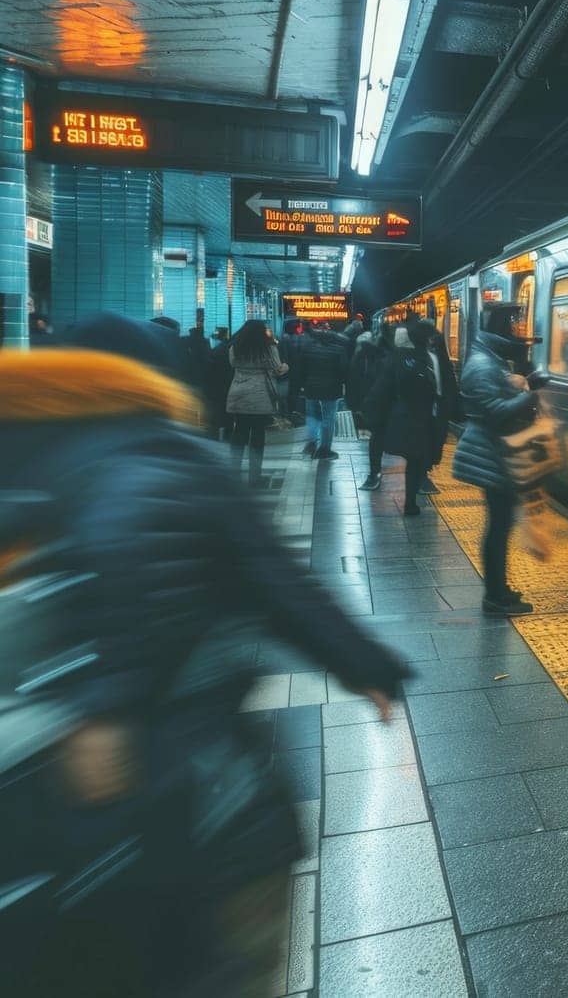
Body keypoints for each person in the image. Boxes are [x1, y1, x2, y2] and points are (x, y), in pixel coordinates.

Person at [0, 314, 406, 995]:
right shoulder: (165, 458)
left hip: (46, 824)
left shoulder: (28, 456)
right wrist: (367, 665)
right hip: (200, 797)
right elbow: (279, 583)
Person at [453, 313, 546, 616]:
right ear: (501, 333)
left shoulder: (486, 358)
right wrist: (532, 394)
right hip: (490, 455)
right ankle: (494, 596)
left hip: (494, 453)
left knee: (500, 527)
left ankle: (499, 590)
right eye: (513, 329)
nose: (518, 335)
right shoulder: (482, 365)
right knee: (498, 528)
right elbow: (495, 411)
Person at [360, 324, 438, 515]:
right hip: (419, 417)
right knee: (414, 460)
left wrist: (369, 413)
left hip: (395, 416)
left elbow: (381, 389)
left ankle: (374, 475)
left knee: (385, 446)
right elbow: (434, 391)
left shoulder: (393, 360)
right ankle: (411, 502)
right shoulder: (426, 359)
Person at [226, 320, 288, 487]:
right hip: (260, 395)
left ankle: (233, 475)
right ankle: (255, 477)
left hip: (238, 393)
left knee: (239, 434)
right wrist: (286, 366)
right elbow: (277, 369)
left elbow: (232, 364)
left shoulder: (235, 348)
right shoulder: (268, 349)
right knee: (257, 437)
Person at [413, 318, 459, 495]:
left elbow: (447, 379)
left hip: (439, 405)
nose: (432, 340)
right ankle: (421, 476)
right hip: (423, 406)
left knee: (437, 439)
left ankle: (426, 470)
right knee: (424, 440)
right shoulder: (417, 357)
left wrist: (451, 403)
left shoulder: (439, 354)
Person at [292, 321, 351, 460]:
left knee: (312, 416)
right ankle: (324, 449)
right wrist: (343, 384)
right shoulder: (339, 350)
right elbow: (344, 371)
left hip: (311, 387)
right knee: (328, 418)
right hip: (331, 389)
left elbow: (301, 369)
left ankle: (311, 444)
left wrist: (302, 384)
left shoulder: (308, 348)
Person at [356, 323, 396, 490]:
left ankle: (375, 473)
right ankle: (419, 477)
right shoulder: (394, 357)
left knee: (376, 439)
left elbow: (361, 381)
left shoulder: (368, 355)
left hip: (375, 405)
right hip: (390, 405)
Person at [205, 327, 234, 441]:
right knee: (228, 415)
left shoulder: (215, 349)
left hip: (216, 386)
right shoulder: (228, 349)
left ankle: (214, 438)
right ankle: (227, 437)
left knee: (216, 416)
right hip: (227, 385)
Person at [182, 326, 210, 391]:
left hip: (196, 364)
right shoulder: (204, 341)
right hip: (199, 365)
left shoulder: (191, 340)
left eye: (191, 334)